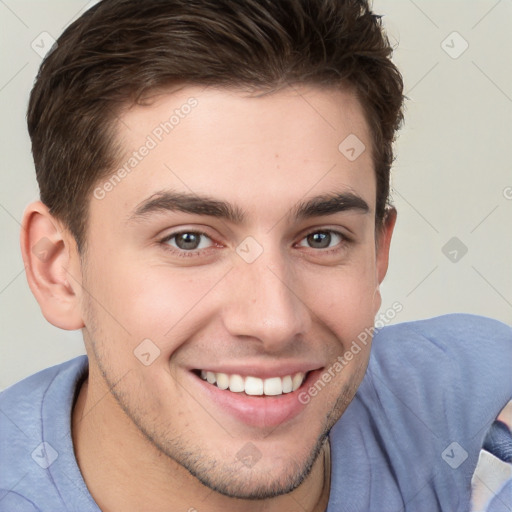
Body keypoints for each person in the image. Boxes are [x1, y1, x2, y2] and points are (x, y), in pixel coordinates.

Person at [0, 0, 510, 510]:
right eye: (189, 240)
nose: (274, 321)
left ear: (378, 253)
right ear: (58, 269)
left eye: (321, 238)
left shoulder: (472, 405)